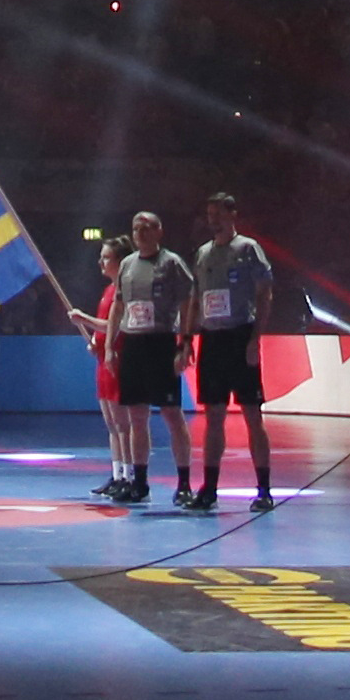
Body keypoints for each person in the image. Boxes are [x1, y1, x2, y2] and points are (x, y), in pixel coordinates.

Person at [190, 191, 278, 511]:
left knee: (253, 415)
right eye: (209, 213)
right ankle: (209, 488)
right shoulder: (202, 254)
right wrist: (188, 338)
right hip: (212, 339)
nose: (212, 219)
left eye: (218, 213)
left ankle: (264, 489)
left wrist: (256, 338)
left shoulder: (248, 249)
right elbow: (196, 297)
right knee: (214, 415)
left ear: (232, 214)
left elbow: (265, 294)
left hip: (241, 336)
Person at [102, 211, 195, 509]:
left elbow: (187, 302)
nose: (140, 233)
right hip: (133, 344)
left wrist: (184, 343)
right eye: (135, 228)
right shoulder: (127, 265)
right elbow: (118, 307)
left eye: (146, 228)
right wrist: (109, 347)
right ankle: (139, 483)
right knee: (136, 417)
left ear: (159, 231)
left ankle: (183, 483)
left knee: (171, 415)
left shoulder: (171, 263)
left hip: (161, 343)